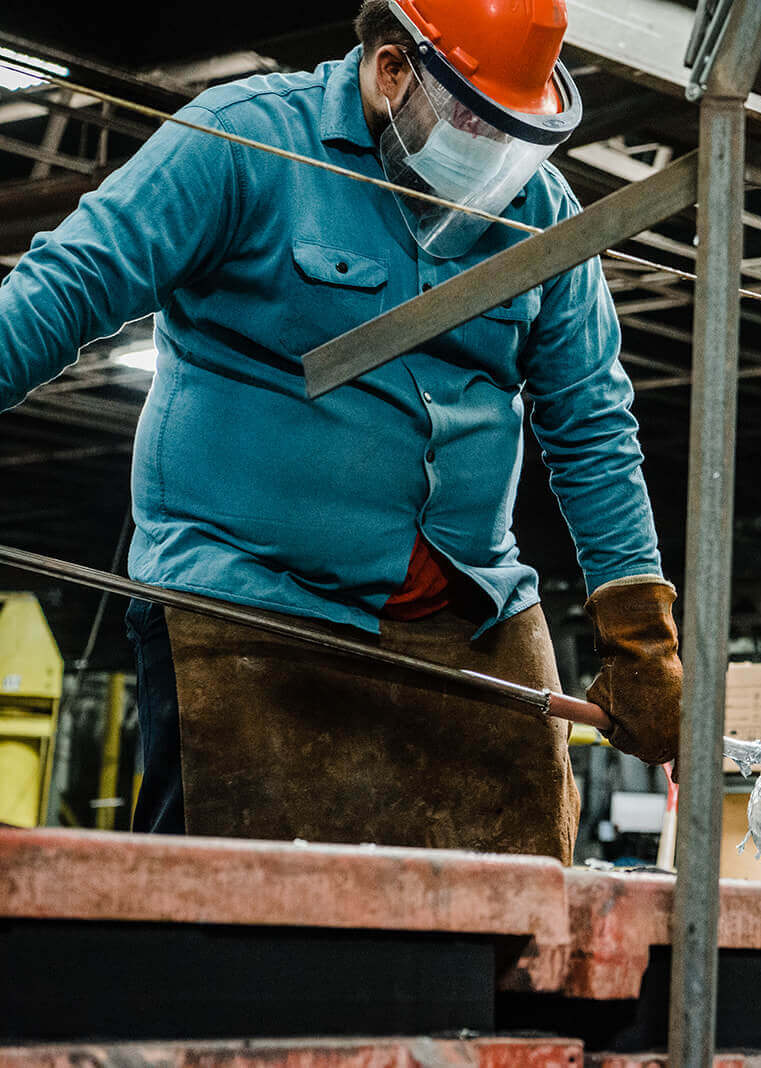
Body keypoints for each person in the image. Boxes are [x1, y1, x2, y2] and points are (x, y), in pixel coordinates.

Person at [0, 0, 681, 861]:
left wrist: (640, 636)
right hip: (250, 612)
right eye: (475, 121)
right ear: (394, 68)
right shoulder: (242, 141)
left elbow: (592, 422)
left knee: (516, 917)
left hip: (469, 622)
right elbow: (68, 285)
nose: (496, 158)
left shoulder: (540, 206)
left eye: (515, 132)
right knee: (232, 932)